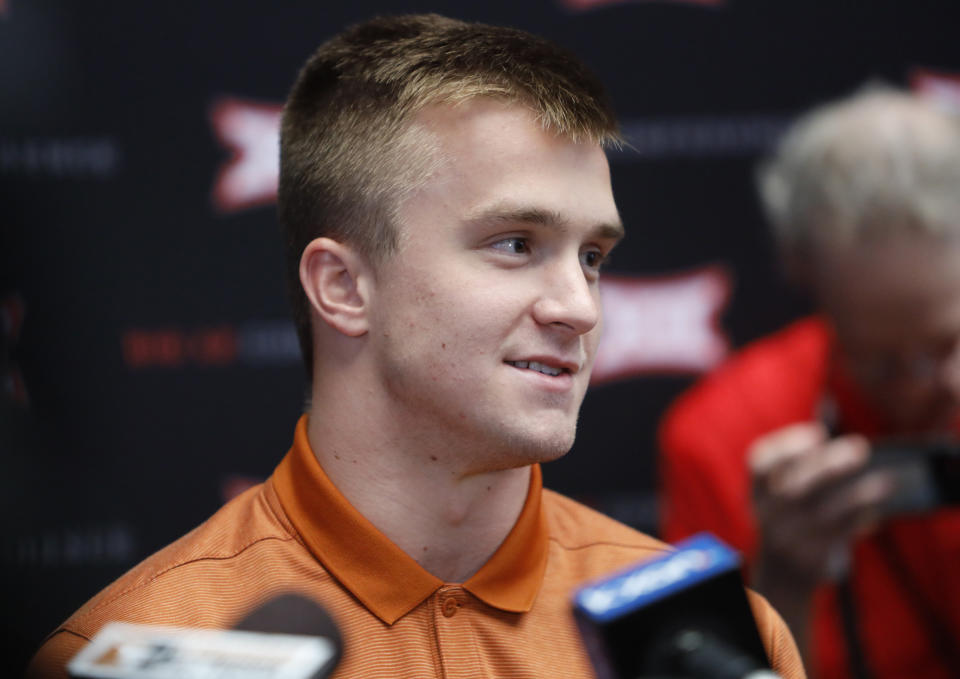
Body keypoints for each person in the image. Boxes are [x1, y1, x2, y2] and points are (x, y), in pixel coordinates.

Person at [29, 14, 803, 678]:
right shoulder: (133, 649)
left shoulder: (704, 644)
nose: (579, 306)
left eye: (592, 257)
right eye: (514, 243)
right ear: (342, 286)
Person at [660, 87, 960, 679]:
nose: (921, 388)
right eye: (878, 360)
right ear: (803, 276)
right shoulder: (726, 434)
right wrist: (785, 584)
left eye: (949, 345)